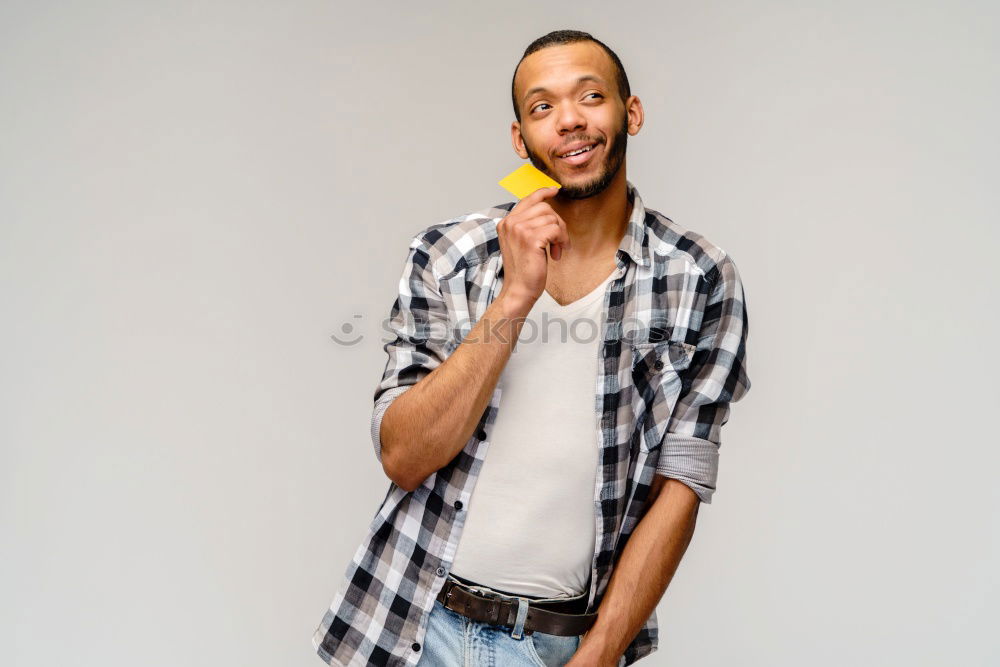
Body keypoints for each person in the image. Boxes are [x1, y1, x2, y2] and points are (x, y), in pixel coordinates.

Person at [313, 29, 752, 667]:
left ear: (631, 113)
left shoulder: (700, 276)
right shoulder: (450, 254)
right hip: (413, 623)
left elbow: (681, 481)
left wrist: (599, 655)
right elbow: (404, 454)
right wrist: (514, 299)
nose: (570, 120)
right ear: (522, 139)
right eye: (543, 107)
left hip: (560, 643)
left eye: (591, 97)